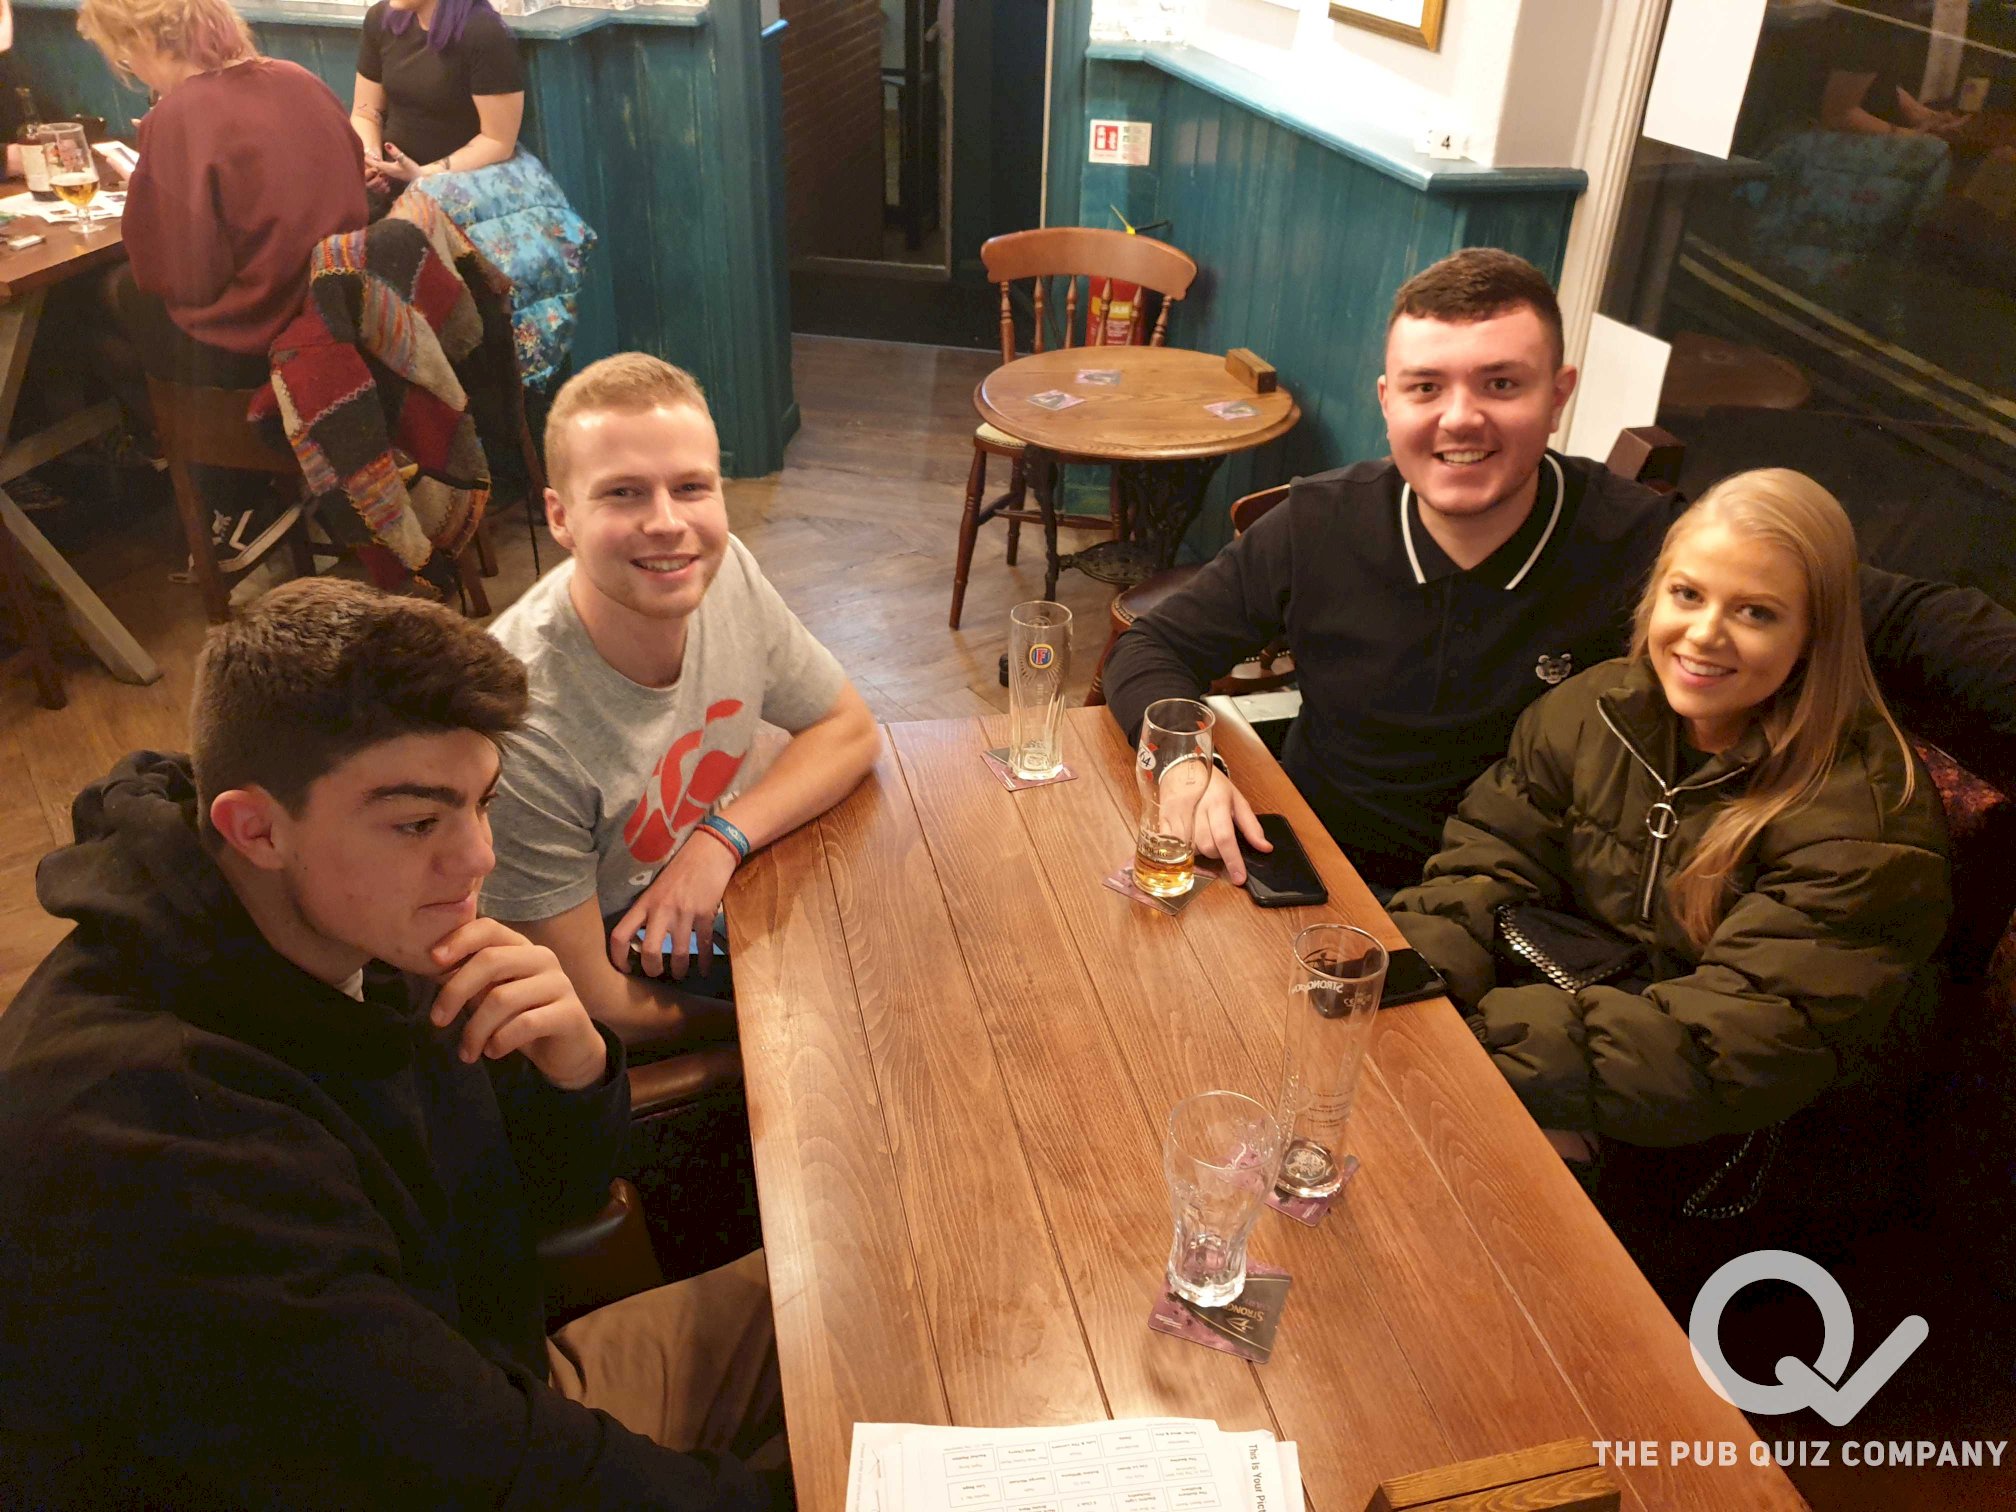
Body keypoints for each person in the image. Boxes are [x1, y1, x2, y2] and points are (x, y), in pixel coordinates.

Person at [0, 579, 785, 1508]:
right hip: (432, 1462)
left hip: (483, 1390)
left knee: (861, 1293)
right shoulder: (153, 1131)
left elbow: (549, 1206)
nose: (478, 857)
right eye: (417, 822)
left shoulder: (361, 931)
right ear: (255, 828)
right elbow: (465, 1467)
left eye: (482, 802)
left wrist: (574, 1071)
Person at [1101, 247, 2016, 895]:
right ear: (1387, 401)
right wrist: (1183, 765)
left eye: (1502, 384)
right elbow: (1152, 649)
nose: (1460, 418)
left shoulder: (1646, 543)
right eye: (1426, 387)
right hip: (1314, 871)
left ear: (1559, 395)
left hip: (1528, 904)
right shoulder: (1316, 523)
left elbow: (1896, 616)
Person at [1386, 471, 1951, 1259]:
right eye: (1688, 595)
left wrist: (1481, 1050)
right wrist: (1414, 987)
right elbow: (1485, 860)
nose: (1705, 635)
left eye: (1755, 612)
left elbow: (1741, 1043)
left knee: (1443, 1198)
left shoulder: (1865, 820)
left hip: (1746, 1149)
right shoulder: (1591, 710)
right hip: (1587, 1044)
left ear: (1816, 635)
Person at [484, 353, 880, 1046]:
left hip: (724, 893)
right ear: (561, 517)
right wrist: (777, 1037)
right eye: (624, 493)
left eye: (692, 487)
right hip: (622, 983)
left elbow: (847, 728)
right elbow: (592, 1005)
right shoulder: (518, 724)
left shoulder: (726, 574)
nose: (668, 522)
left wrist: (718, 841)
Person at [75, 0, 370, 572]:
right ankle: (253, 489)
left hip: (265, 342)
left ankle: (238, 494)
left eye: (125, 58)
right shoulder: (298, 79)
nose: (132, 70)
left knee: (105, 312)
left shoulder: (179, 116)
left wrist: (151, 188)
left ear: (142, 41)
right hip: (341, 315)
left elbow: (183, 275)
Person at [351, 0, 523, 202]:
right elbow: (365, 112)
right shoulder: (380, 19)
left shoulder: (485, 33)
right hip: (389, 178)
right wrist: (371, 161)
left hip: (461, 183)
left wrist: (422, 174)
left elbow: (498, 141)